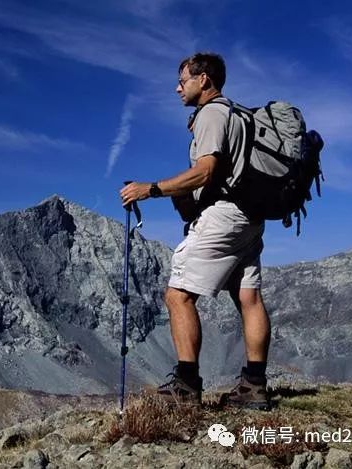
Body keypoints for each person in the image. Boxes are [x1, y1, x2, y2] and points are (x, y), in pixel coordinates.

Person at [119, 52, 271, 409]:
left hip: (224, 218)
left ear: (204, 79)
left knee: (178, 296)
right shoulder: (238, 114)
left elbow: (205, 171)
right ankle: (254, 387)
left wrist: (151, 189)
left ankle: (186, 387)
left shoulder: (212, 114)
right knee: (248, 298)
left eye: (182, 80)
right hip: (250, 217)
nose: (177, 88)